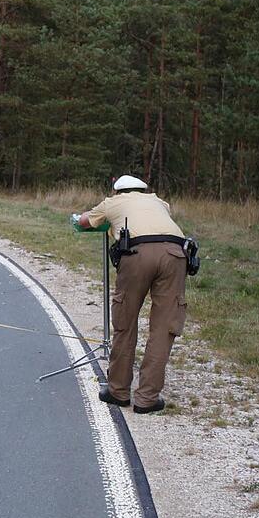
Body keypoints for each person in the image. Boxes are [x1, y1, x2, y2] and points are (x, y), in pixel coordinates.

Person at [73, 174, 187, 414]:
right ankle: (147, 398)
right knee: (163, 328)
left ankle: (119, 391)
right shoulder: (159, 202)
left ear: (118, 191)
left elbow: (83, 221)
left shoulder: (112, 202)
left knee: (125, 322)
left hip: (136, 254)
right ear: (143, 189)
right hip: (175, 254)